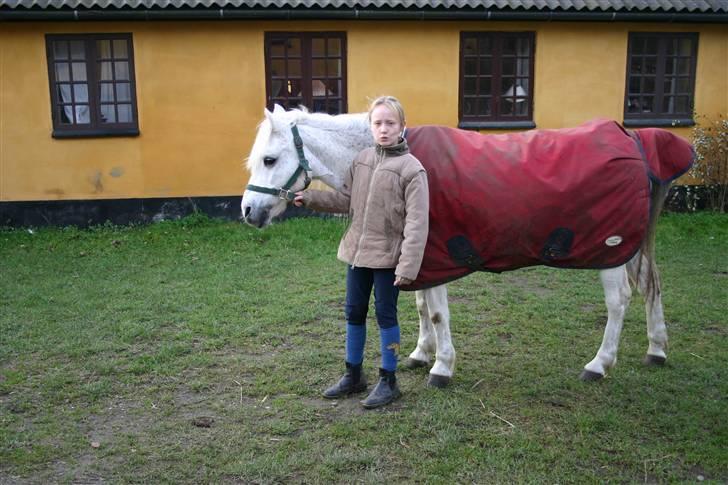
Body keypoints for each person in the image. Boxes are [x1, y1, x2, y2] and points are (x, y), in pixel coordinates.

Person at [293, 96, 429, 409]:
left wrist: (407, 267)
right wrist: (311, 198)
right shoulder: (363, 159)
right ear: (370, 127)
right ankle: (354, 375)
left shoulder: (412, 170)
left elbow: (418, 225)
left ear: (402, 127)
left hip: (387, 259)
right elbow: (345, 200)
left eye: (390, 123)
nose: (383, 129)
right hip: (356, 254)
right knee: (353, 312)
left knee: (385, 316)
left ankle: (389, 379)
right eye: (378, 123)